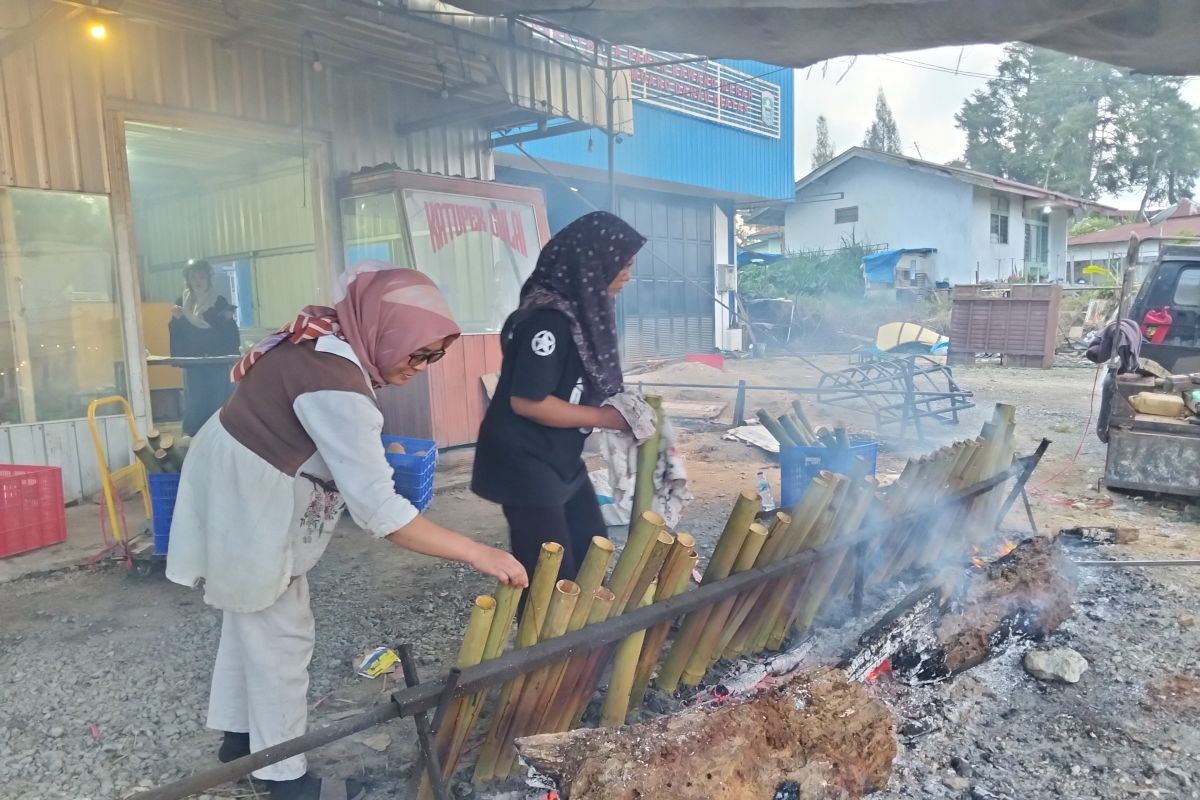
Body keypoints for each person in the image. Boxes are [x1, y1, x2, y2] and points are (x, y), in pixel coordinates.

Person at [165, 261, 527, 800]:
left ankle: (240, 743)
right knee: (280, 634)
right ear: (384, 329)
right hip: (250, 488)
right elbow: (382, 513)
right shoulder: (335, 384)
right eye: (418, 351)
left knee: (251, 613)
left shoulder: (332, 339)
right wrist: (479, 553)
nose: (421, 366)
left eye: (435, 356)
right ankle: (284, 779)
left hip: (236, 466)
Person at [472, 211, 647, 588]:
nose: (627, 276)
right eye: (624, 265)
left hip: (559, 458)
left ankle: (588, 641)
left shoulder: (583, 315)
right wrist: (606, 418)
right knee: (551, 574)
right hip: (523, 461)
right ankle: (551, 645)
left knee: (592, 548)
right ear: (594, 263)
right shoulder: (547, 321)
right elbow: (528, 402)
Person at [168, 259, 241, 435]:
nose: (198, 281)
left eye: (202, 277)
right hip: (194, 363)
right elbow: (179, 334)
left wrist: (227, 320)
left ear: (209, 278)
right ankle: (193, 436)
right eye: (194, 277)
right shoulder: (182, 303)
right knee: (195, 400)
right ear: (188, 280)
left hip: (216, 362)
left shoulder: (219, 301)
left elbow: (227, 334)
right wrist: (177, 320)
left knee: (217, 399)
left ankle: (217, 435)